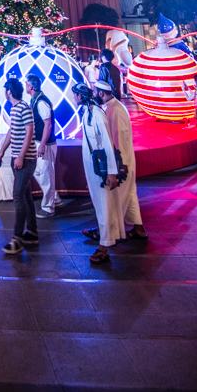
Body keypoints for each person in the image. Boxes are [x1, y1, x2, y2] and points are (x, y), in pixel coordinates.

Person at [72, 82, 122, 263]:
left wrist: (111, 172)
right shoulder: (88, 113)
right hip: (93, 169)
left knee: (104, 206)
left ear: (80, 96)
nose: (73, 98)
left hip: (101, 171)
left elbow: (108, 144)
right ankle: (105, 237)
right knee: (100, 205)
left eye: (74, 95)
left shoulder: (98, 115)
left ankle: (104, 246)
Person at [94, 78, 147, 240]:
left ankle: (108, 233)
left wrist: (114, 167)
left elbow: (115, 139)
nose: (94, 94)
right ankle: (139, 229)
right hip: (125, 159)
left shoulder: (113, 110)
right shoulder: (115, 106)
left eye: (95, 92)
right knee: (130, 195)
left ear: (101, 93)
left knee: (115, 198)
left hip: (120, 162)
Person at [0, 78, 38, 254]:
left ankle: (17, 238)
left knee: (18, 196)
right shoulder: (14, 109)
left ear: (9, 92)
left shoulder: (24, 108)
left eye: (6, 90)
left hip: (26, 160)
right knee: (26, 196)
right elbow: (11, 131)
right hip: (17, 159)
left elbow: (29, 132)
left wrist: (20, 156)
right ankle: (33, 233)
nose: (5, 92)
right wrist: (3, 150)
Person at [25, 74, 62, 218]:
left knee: (45, 175)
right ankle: (55, 198)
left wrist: (42, 145)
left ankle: (48, 207)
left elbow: (48, 124)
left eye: (26, 84)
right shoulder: (36, 99)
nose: (25, 87)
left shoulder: (41, 102)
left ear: (31, 87)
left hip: (45, 144)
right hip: (40, 142)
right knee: (37, 171)